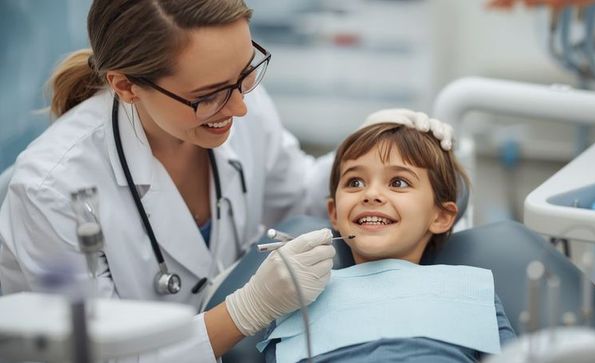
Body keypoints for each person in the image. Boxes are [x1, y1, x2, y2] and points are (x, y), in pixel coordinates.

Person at [0, 1, 338, 362]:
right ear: (126, 86)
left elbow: (298, 196)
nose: (240, 107)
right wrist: (244, 312)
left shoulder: (231, 91)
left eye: (246, 72)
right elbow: (101, 357)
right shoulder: (51, 189)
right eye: (208, 95)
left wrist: (383, 144)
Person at [262, 109, 515, 362]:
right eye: (355, 182)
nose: (371, 194)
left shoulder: (470, 292)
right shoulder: (296, 297)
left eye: (398, 183)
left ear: (441, 216)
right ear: (334, 213)